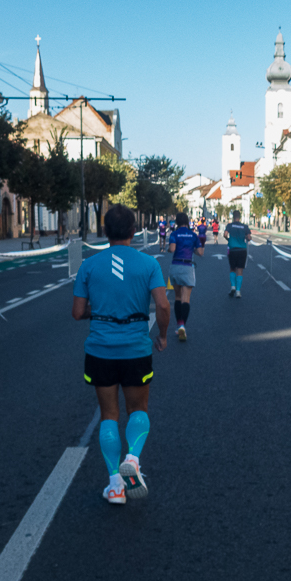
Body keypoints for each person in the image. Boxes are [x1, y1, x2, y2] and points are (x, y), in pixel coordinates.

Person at [72, 204, 170, 505]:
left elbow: (77, 313)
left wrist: (99, 312)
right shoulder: (148, 264)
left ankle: (115, 485)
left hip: (100, 349)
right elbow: (163, 306)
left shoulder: (88, 266)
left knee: (109, 415)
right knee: (138, 409)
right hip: (135, 348)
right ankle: (134, 458)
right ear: (133, 231)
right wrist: (163, 335)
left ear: (104, 232)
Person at [167, 211, 202, 341]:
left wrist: (167, 249)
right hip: (188, 266)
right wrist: (192, 248)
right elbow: (200, 252)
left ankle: (178, 325)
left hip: (176, 266)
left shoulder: (174, 234)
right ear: (187, 222)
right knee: (185, 298)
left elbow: (172, 249)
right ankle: (182, 325)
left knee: (177, 296)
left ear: (176, 222)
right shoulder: (193, 235)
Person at [223, 209, 251, 298]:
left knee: (232, 268)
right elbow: (249, 237)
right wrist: (246, 237)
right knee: (240, 270)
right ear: (240, 217)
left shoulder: (230, 225)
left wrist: (229, 240)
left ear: (233, 217)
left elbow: (225, 234)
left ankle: (233, 286)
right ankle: (238, 291)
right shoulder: (245, 226)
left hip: (232, 249)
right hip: (242, 250)